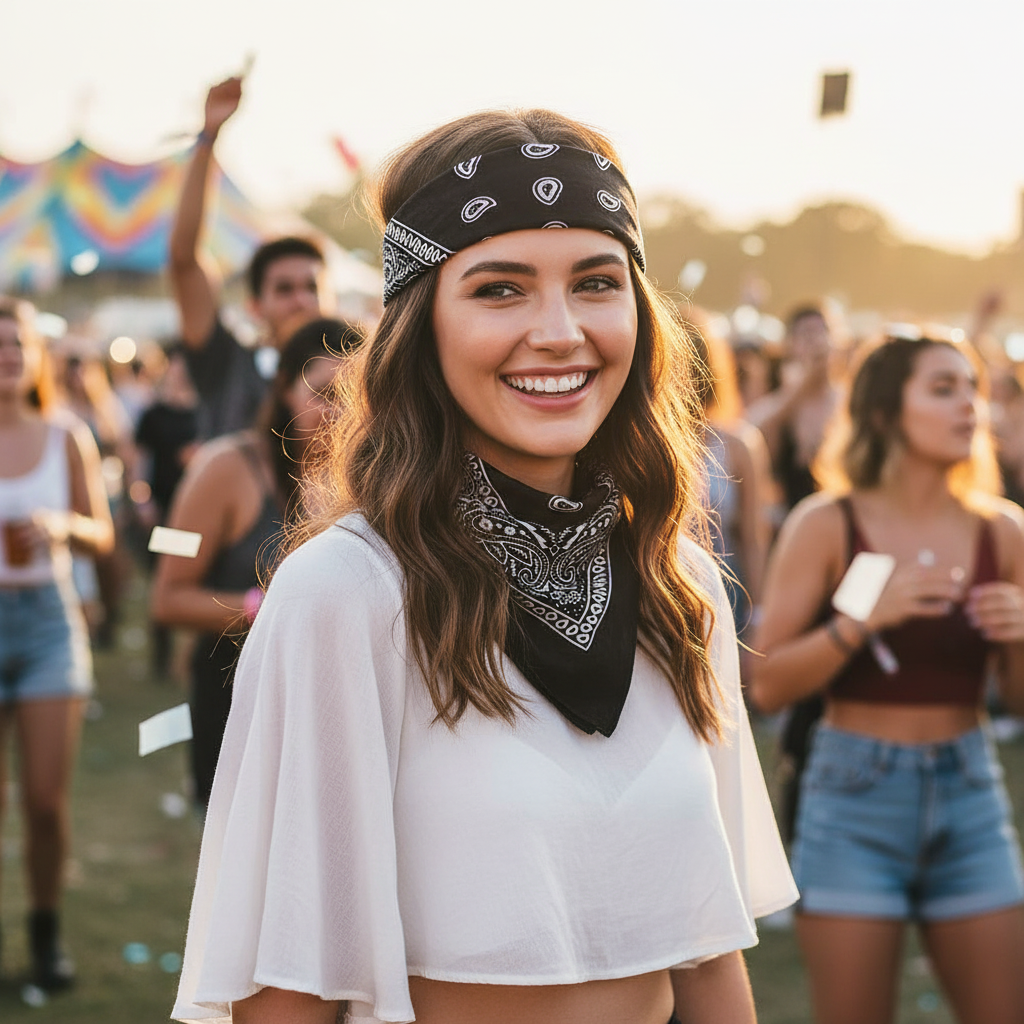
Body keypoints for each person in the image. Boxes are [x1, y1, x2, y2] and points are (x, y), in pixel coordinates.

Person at [172, 110, 796, 1024]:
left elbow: (705, 953)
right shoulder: (350, 594)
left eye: (596, 282)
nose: (560, 331)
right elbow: (289, 991)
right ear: (419, 326)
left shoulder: (682, 583)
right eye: (500, 289)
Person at [749, 330, 1024, 1024]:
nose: (969, 405)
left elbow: (1019, 702)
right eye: (943, 388)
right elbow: (769, 685)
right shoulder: (828, 523)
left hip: (970, 792)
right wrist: (861, 622)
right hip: (853, 800)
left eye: (972, 389)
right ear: (882, 412)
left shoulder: (1004, 533)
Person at [151, 318, 358, 806]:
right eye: (325, 393)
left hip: (340, 709)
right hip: (239, 705)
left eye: (357, 397)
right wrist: (263, 607)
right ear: (285, 388)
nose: (341, 412)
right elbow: (167, 598)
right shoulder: (224, 467)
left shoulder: (373, 477)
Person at [0, 299, 113, 989]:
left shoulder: (66, 433)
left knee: (45, 802)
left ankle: (45, 935)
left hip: (48, 620)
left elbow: (102, 533)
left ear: (34, 356)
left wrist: (61, 528)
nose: (8, 355)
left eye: (17, 343)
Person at [168, 73, 328, 439]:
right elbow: (184, 260)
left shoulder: (356, 375)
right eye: (284, 289)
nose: (302, 300)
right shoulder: (228, 364)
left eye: (312, 287)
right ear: (255, 306)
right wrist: (208, 137)